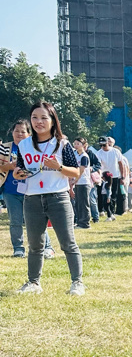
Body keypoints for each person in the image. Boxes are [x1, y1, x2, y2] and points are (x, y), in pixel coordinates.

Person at [13, 101, 85, 296]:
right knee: (35, 245)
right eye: (34, 117)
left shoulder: (61, 144)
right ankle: (33, 283)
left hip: (58, 197)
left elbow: (75, 172)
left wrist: (58, 167)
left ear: (53, 120)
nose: (39, 121)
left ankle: (77, 282)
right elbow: (20, 168)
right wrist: (18, 174)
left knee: (68, 243)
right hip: (32, 199)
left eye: (44, 118)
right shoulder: (24, 144)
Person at [0, 120, 52, 258]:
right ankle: (18, 248)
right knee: (15, 221)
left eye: (23, 131)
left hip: (32, 190)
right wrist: (9, 166)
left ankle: (47, 247)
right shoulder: (4, 148)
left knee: (37, 220)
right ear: (12, 132)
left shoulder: (34, 147)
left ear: (29, 133)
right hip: (10, 191)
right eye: (16, 131)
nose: (19, 134)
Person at [96, 136, 122, 220]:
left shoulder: (115, 151)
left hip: (114, 175)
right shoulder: (99, 153)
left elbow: (120, 163)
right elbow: (98, 165)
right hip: (104, 177)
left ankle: (111, 212)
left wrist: (122, 176)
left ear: (108, 143)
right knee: (104, 195)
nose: (102, 147)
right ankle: (107, 212)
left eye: (104, 145)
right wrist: (100, 176)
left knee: (113, 195)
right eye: (101, 145)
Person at [72, 138, 92, 228]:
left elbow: (82, 169)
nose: (76, 146)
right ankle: (79, 221)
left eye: (78, 144)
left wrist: (76, 179)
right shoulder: (76, 155)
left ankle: (85, 223)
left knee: (84, 204)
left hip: (83, 182)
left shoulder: (84, 156)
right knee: (78, 203)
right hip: (77, 183)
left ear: (83, 145)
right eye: (75, 144)